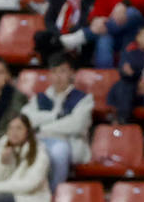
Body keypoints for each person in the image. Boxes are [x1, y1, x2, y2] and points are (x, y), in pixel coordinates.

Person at [21, 54, 92, 187]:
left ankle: (55, 194)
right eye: (54, 72)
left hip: (68, 143)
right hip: (41, 141)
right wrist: (54, 116)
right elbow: (26, 118)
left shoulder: (83, 99)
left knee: (57, 152)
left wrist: (42, 127)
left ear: (71, 73)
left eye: (62, 71)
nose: (58, 76)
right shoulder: (40, 98)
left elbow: (76, 125)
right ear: (49, 75)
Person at [37, 0, 95, 65]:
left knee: (89, 41)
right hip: (58, 33)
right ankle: (47, 67)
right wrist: (58, 34)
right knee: (41, 37)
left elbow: (86, 21)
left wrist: (72, 33)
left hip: (76, 34)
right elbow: (49, 19)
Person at [110, 24, 144, 131]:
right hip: (131, 89)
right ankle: (121, 124)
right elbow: (125, 71)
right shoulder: (130, 51)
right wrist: (129, 74)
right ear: (138, 38)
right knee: (125, 87)